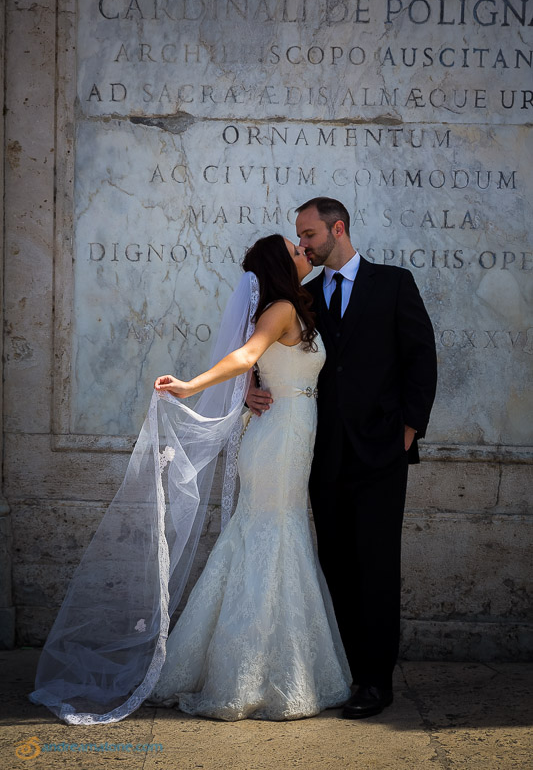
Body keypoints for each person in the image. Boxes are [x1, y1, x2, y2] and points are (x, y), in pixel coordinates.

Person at [30, 233, 351, 724]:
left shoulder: (295, 308)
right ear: (279, 265)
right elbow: (246, 356)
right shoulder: (282, 308)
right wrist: (190, 385)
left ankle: (258, 663)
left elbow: (264, 368)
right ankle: (247, 673)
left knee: (266, 532)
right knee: (271, 531)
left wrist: (250, 391)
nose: (305, 251)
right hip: (278, 441)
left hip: (292, 432)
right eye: (295, 249)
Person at [247, 198, 438, 719]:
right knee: (336, 566)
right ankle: (351, 673)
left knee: (377, 567)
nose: (303, 245)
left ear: (338, 228)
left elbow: (421, 355)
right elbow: (267, 350)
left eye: (308, 235)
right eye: (299, 238)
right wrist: (250, 387)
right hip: (320, 455)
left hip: (381, 452)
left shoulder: (393, 283)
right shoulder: (301, 298)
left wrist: (409, 428)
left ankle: (377, 682)